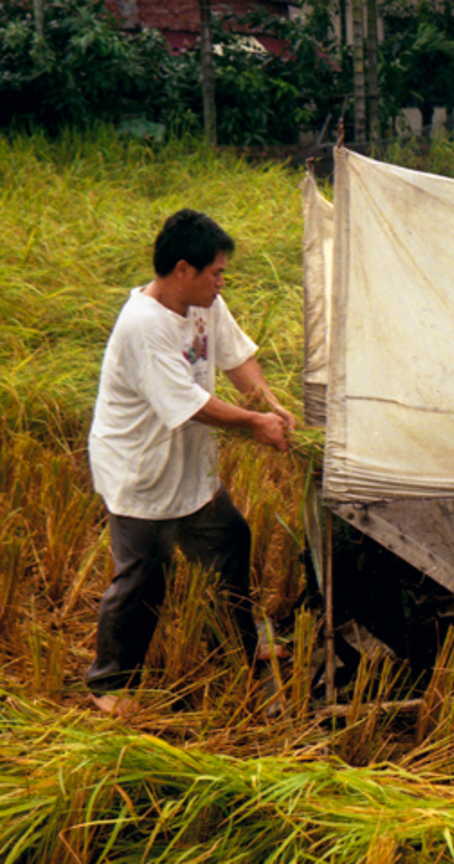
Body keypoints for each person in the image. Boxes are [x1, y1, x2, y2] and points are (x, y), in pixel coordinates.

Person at [85, 209, 297, 715]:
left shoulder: (204, 303)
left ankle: (238, 643)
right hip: (142, 468)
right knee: (143, 576)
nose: (221, 282)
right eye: (215, 272)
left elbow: (235, 355)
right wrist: (252, 426)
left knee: (229, 541)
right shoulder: (143, 324)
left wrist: (266, 401)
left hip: (188, 465)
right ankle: (109, 684)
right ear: (183, 270)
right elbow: (189, 404)